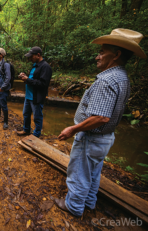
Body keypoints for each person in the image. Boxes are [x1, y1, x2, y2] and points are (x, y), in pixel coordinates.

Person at [55, 29, 146, 217]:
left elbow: (101, 117)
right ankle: (89, 202)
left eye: (102, 52)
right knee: (93, 172)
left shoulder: (107, 80)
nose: (97, 56)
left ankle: (73, 206)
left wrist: (73, 128)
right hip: (105, 138)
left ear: (117, 54)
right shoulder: (123, 77)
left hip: (92, 138)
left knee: (79, 173)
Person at [17, 46, 52, 137]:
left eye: (31, 56)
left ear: (38, 55)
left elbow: (43, 84)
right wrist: (24, 76)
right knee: (26, 114)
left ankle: (36, 134)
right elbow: (33, 78)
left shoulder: (45, 67)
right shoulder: (35, 65)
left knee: (37, 117)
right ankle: (26, 130)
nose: (29, 58)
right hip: (28, 96)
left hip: (36, 97)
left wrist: (27, 80)